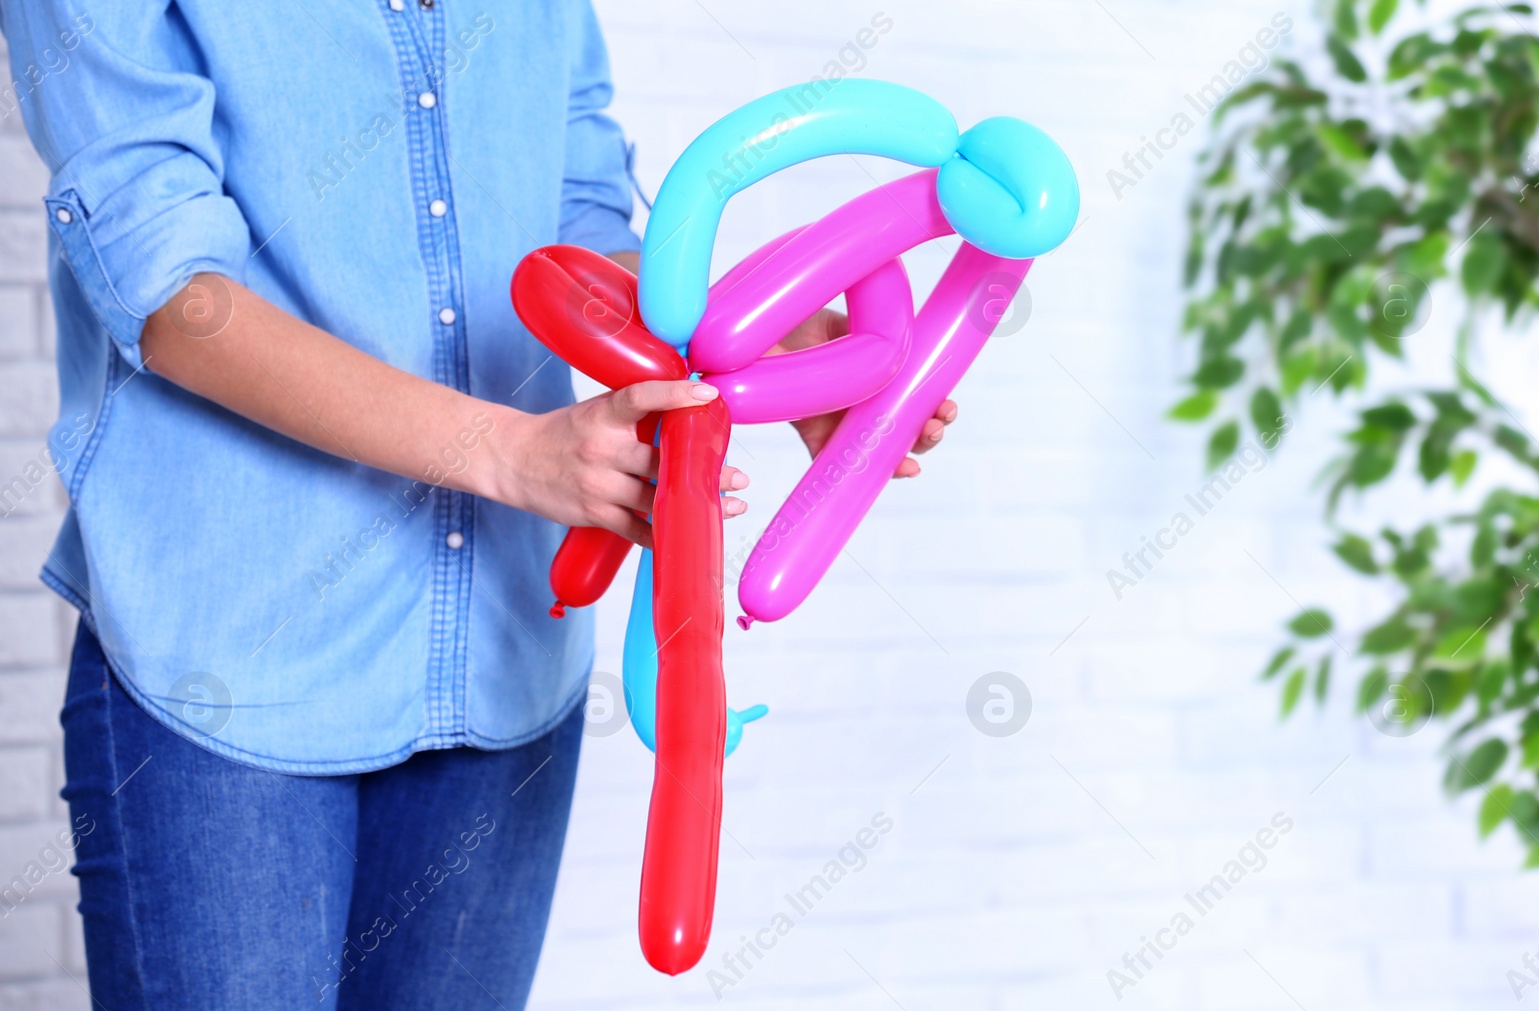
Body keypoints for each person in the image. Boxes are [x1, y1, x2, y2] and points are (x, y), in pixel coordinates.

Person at [0, 2, 956, 1007]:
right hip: (228, 660)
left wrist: (762, 337)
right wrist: (513, 455)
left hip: (502, 654)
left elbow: (580, 220)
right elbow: (171, 297)